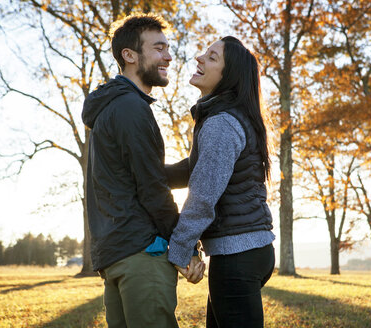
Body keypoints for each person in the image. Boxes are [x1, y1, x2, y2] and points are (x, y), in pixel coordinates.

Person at [81, 14, 203, 328]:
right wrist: (185, 246)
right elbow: (151, 189)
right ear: (130, 55)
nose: (169, 56)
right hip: (142, 254)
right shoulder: (131, 108)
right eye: (159, 48)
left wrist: (196, 165)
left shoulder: (111, 107)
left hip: (116, 254)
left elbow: (139, 174)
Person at [167, 36, 276, 328]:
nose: (200, 59)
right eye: (204, 53)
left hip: (237, 258)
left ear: (228, 77)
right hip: (249, 251)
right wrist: (149, 174)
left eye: (212, 57)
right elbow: (196, 170)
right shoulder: (229, 118)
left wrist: (180, 249)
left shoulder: (221, 124)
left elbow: (203, 195)